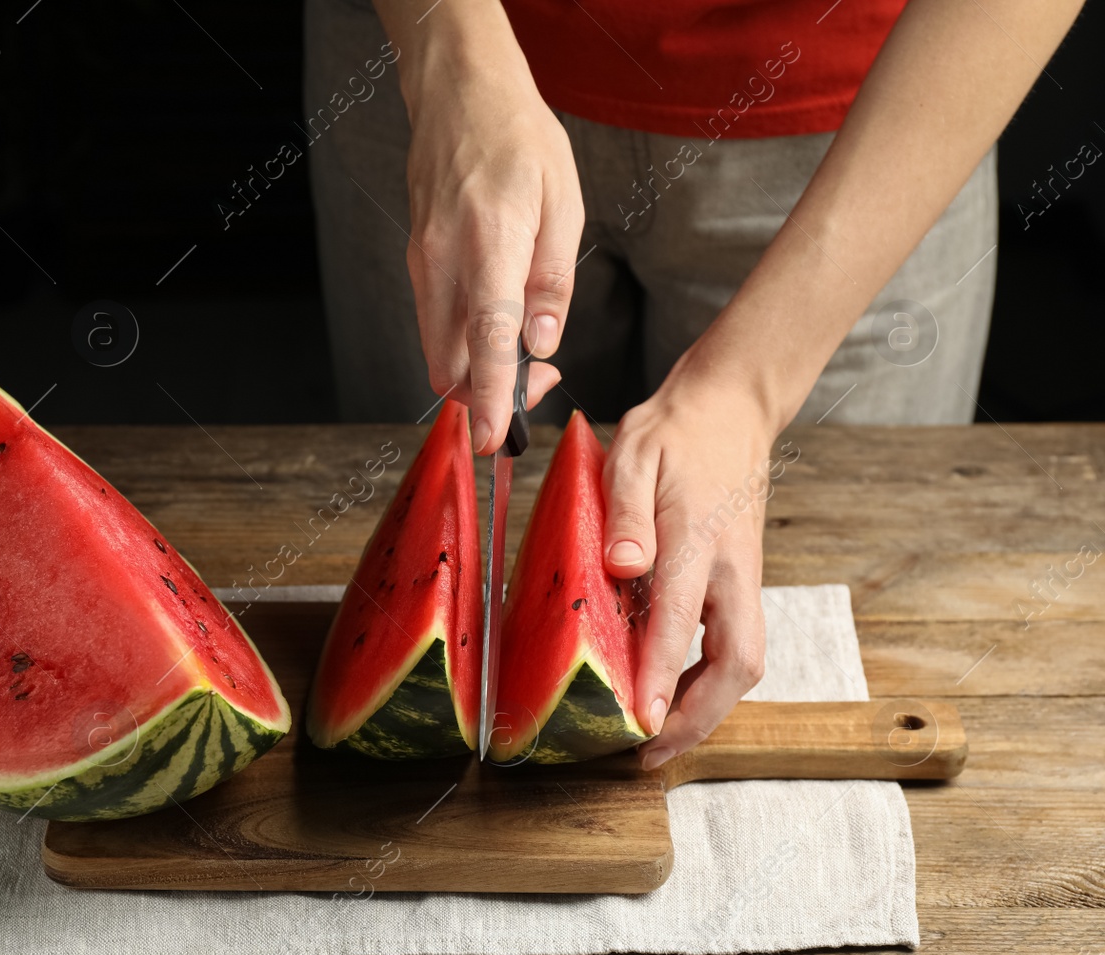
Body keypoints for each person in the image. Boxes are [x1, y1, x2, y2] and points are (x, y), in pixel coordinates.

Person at [305, 0, 1083, 767]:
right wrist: (451, 55)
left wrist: (747, 388)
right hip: (426, 63)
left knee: (852, 623)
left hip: (876, 111)